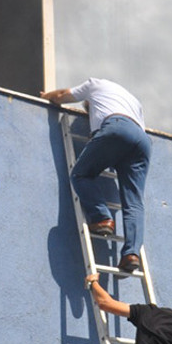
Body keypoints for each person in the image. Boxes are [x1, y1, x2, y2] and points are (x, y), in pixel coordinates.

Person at [44, 79, 150, 274]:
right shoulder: (133, 101)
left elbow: (61, 96)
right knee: (134, 202)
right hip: (142, 141)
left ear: (89, 104)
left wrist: (45, 96)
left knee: (80, 173)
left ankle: (102, 218)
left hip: (116, 128)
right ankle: (131, 254)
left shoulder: (94, 84)